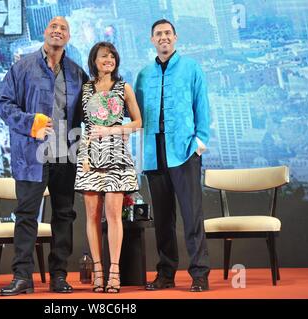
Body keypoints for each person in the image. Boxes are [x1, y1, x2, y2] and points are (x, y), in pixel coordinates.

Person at [0, 17, 88, 296]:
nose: (58, 31)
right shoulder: (22, 68)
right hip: (32, 156)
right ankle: (22, 276)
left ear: (68, 38)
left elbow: (87, 112)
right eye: (53, 27)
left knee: (64, 215)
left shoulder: (76, 73)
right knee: (26, 216)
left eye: (63, 29)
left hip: (66, 155)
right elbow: (3, 105)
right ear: (45, 33)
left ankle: (59, 276)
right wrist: (30, 123)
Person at [135, 19, 211, 292]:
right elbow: (136, 114)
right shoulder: (143, 75)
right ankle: (166, 273)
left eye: (168, 33)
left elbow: (201, 103)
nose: (163, 37)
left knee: (192, 216)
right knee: (163, 218)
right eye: (158, 34)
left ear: (175, 38)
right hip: (154, 152)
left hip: (184, 150)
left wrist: (200, 141)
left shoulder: (191, 68)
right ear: (152, 40)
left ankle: (199, 273)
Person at [75, 42, 142, 293]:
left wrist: (115, 130)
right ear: (94, 60)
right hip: (90, 156)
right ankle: (98, 272)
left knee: (113, 215)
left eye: (112, 56)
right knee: (92, 216)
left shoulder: (123, 87)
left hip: (116, 155)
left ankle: (115, 271)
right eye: (104, 56)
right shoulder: (85, 89)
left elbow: (137, 122)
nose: (109, 59)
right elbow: (81, 123)